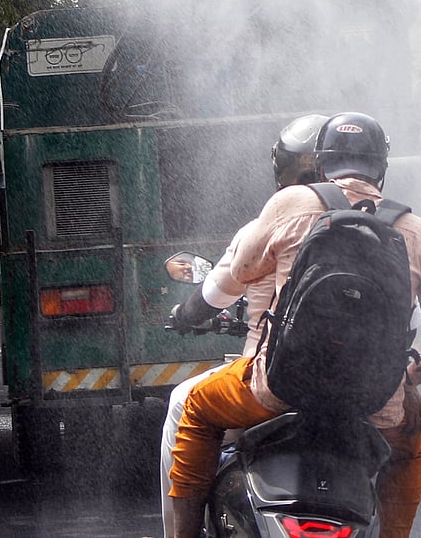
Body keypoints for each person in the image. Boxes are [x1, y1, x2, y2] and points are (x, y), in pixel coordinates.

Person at [168, 112, 421, 538]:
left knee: (196, 410)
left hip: (279, 389)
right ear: (381, 168)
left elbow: (241, 271)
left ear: (321, 164)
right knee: (410, 454)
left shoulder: (291, 205)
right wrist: (411, 377)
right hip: (375, 403)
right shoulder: (417, 233)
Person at [159, 113, 327, 538]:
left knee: (183, 404)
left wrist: (184, 315)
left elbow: (218, 291)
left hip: (271, 383)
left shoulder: (270, 224)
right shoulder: (382, 227)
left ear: (281, 169)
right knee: (409, 445)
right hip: (359, 392)